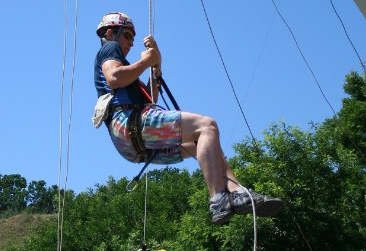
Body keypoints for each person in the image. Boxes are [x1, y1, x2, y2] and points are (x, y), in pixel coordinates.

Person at [93, 12, 284, 225]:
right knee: (207, 125)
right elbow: (115, 78)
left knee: (203, 144)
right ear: (110, 33)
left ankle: (236, 191)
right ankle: (218, 199)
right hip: (129, 123)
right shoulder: (110, 49)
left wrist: (156, 68)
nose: (130, 42)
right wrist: (147, 60)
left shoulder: (126, 69)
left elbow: (150, 99)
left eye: (132, 38)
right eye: (127, 35)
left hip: (131, 142)